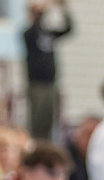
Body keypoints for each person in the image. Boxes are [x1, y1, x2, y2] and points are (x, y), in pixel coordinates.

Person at [22, 0, 73, 140]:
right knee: (37, 117)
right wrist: (38, 11)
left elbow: (68, 29)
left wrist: (64, 9)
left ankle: (46, 142)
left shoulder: (49, 33)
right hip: (36, 82)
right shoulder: (28, 33)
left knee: (48, 117)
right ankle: (35, 141)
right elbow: (33, 31)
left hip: (50, 81)